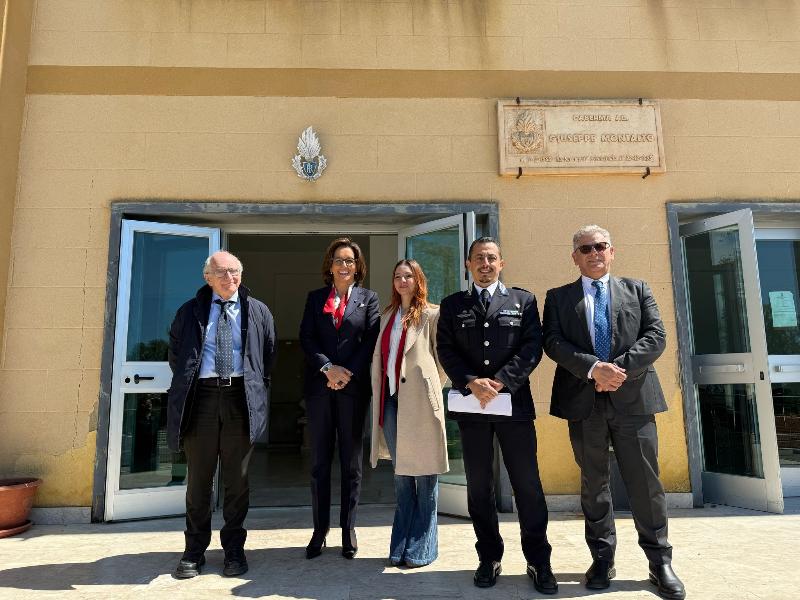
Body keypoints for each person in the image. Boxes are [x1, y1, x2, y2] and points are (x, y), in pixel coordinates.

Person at [542, 225, 685, 600]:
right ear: (575, 257)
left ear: (612, 251)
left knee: (645, 484)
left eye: (600, 246)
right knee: (594, 484)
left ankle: (659, 562)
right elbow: (552, 342)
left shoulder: (638, 289)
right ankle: (602, 559)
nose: (594, 253)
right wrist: (593, 369)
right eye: (585, 248)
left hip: (634, 400)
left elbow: (656, 336)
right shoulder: (558, 297)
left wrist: (615, 370)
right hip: (583, 403)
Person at [437, 237, 557, 593]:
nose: (485, 264)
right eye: (478, 258)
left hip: (514, 407)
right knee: (479, 487)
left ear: (501, 263)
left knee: (527, 485)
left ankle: (538, 560)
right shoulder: (453, 304)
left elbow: (532, 347)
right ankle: (488, 557)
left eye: (491, 258)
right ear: (468, 264)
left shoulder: (523, 301)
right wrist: (471, 382)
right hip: (473, 410)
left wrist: (501, 382)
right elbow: (445, 349)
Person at [167, 250, 276, 579]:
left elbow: (267, 355)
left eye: (235, 271)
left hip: (238, 398)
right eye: (222, 272)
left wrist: (254, 389)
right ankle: (193, 551)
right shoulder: (189, 311)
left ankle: (233, 551)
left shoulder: (258, 311)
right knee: (199, 481)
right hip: (201, 399)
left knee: (237, 481)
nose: (230, 277)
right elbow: (177, 355)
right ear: (208, 277)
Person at [299, 237, 380, 560]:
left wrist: (346, 373)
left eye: (350, 260)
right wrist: (328, 369)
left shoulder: (369, 299)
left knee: (351, 464)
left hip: (353, 389)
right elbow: (307, 338)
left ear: (358, 267)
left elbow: (370, 340)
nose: (344, 265)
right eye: (338, 260)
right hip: (320, 389)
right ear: (329, 266)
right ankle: (319, 530)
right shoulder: (315, 298)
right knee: (319, 463)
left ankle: (348, 529)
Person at [369, 259, 448, 567]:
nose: (403, 281)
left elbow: (442, 361)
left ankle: (423, 547)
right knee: (402, 476)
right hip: (390, 402)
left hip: (420, 403)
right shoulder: (386, 316)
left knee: (425, 477)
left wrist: (428, 389)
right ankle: (401, 543)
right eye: (398, 276)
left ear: (418, 281)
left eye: (408, 276)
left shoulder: (432, 314)